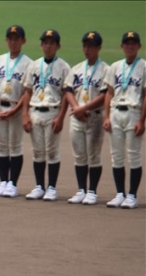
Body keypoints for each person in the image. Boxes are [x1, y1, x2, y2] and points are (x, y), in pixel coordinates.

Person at [22, 29, 71, 201]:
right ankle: (39, 186)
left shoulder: (64, 67)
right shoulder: (33, 66)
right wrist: (25, 115)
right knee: (37, 152)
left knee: (52, 152)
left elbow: (66, 94)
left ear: (58, 46)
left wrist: (61, 117)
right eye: (45, 43)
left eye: (52, 43)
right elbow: (27, 92)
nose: (48, 46)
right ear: (41, 45)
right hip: (35, 111)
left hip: (53, 111)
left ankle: (51, 188)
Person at [0, 25, 33, 198]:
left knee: (15, 146)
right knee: (1, 146)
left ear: (23, 41)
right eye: (10, 39)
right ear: (6, 40)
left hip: (16, 108)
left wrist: (16, 109)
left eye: (17, 39)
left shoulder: (29, 63)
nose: (13, 42)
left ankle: (13, 183)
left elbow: (28, 91)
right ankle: (3, 182)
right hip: (0, 107)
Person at [102, 31, 146, 209]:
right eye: (127, 43)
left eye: (133, 43)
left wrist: (142, 120)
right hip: (116, 112)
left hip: (134, 112)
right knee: (116, 156)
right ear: (122, 46)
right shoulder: (115, 66)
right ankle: (120, 193)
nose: (130, 46)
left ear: (139, 46)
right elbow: (109, 93)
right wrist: (106, 116)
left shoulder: (144, 66)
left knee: (134, 155)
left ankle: (132, 195)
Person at [64, 32, 109, 205]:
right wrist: (77, 107)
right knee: (79, 156)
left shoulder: (105, 69)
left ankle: (92, 191)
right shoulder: (76, 68)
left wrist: (83, 108)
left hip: (94, 116)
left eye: (91, 46)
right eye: (85, 46)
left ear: (99, 48)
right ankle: (81, 190)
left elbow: (105, 95)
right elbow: (68, 90)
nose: (87, 49)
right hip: (77, 117)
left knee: (94, 155)